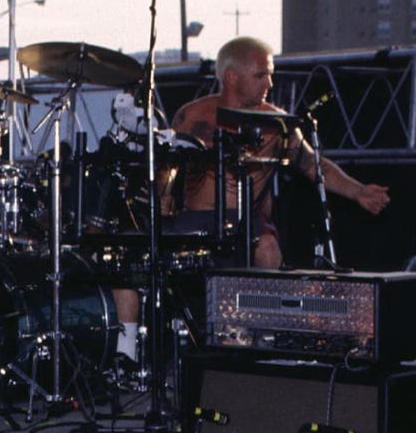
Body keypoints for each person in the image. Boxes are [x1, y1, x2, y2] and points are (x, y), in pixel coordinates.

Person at [163, 35, 390, 268]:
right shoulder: (192, 115)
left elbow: (313, 164)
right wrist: (164, 194)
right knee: (134, 255)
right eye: (261, 75)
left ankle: (265, 303)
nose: (269, 84)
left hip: (247, 224)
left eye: (270, 75)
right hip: (194, 220)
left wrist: (358, 191)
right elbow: (167, 162)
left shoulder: (278, 123)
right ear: (231, 77)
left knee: (267, 247)